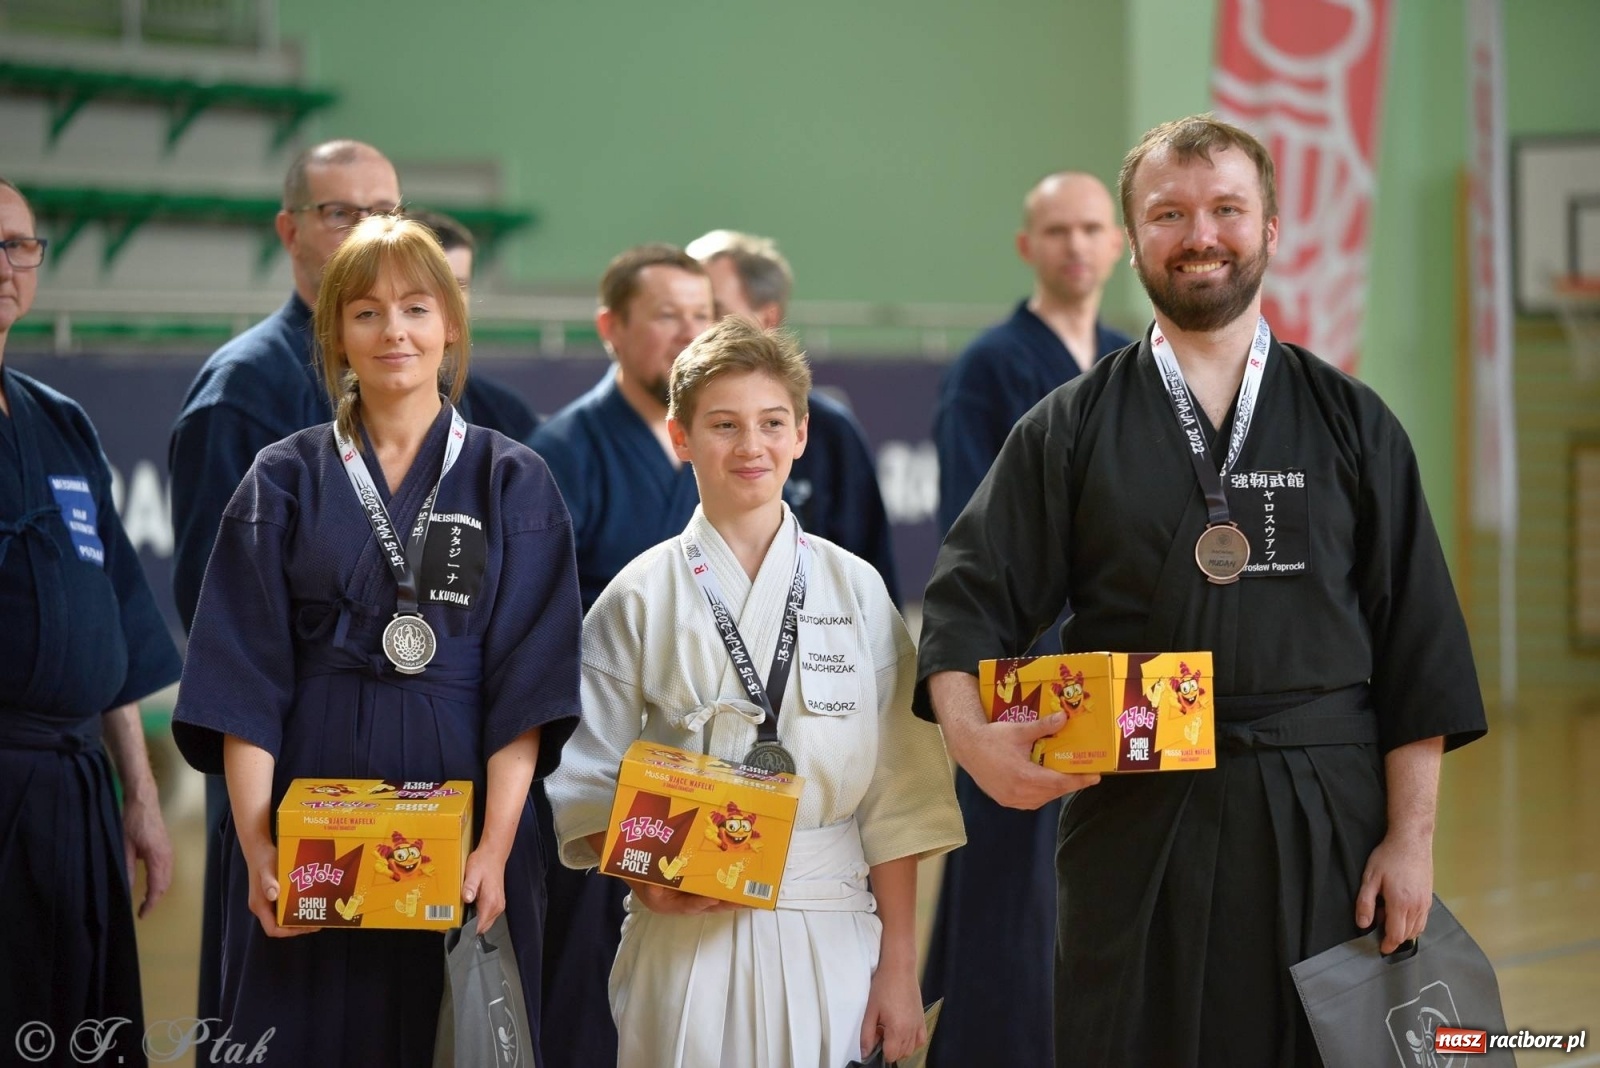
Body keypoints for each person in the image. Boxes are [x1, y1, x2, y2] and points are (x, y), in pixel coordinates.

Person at [915, 115, 1488, 1066]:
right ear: (1135, 241)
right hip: (1136, 825)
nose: (1200, 235)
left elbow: (1416, 647)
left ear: (1271, 228)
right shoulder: (1069, 426)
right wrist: (974, 742)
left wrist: (1412, 841)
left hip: (1328, 823)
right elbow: (965, 601)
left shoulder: (1353, 422)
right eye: (1169, 213)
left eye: (1227, 208)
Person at [171, 216, 582, 1065]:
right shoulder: (282, 476)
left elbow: (527, 687)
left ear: (451, 326)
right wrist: (257, 850)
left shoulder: (512, 478)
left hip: (466, 809)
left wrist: (498, 848)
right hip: (307, 808)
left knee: (453, 1036)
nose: (393, 330)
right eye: (365, 312)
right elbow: (242, 676)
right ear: (335, 335)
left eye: (416, 308)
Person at [546, 316, 963, 1067]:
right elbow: (586, 777)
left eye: (772, 423)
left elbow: (898, 799)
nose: (751, 447)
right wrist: (642, 878)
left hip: (832, 924)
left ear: (802, 434)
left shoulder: (857, 588)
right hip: (684, 935)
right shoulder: (637, 596)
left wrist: (899, 969)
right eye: (724, 425)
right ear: (680, 437)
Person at [168, 138, 401, 1022]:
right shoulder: (243, 395)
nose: (367, 229)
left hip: (397, 778)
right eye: (341, 211)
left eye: (385, 209)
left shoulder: (404, 382)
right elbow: (216, 619)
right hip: (288, 774)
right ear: (290, 228)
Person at [920, 170, 1131, 1067]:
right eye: (1057, 231)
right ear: (1027, 247)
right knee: (1011, 882)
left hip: (1121, 668)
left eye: (1092, 228)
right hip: (1022, 664)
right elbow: (975, 525)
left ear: (1117, 244)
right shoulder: (991, 365)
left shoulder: (1135, 357)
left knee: (1098, 882)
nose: (1076, 246)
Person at [0, 177, 182, 1067]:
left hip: (75, 798)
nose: (6, 266)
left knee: (84, 1037)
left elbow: (114, 621)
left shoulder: (60, 421)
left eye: (19, 246)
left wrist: (139, 800)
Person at [524, 242, 713, 1065]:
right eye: (666, 315)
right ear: (612, 328)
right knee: (587, 994)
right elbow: (535, 626)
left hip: (710, 764)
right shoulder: (564, 450)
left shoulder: (720, 445)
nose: (688, 333)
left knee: (695, 984)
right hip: (600, 765)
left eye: (702, 314)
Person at [686, 229, 900, 602]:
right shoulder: (642, 589)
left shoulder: (831, 433)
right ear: (680, 438)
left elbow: (871, 568)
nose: (692, 328)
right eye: (723, 426)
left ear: (768, 316)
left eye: (711, 311)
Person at [408, 208, 541, 441]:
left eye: (458, 286)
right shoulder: (335, 409)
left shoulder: (505, 415)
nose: (447, 302)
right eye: (429, 287)